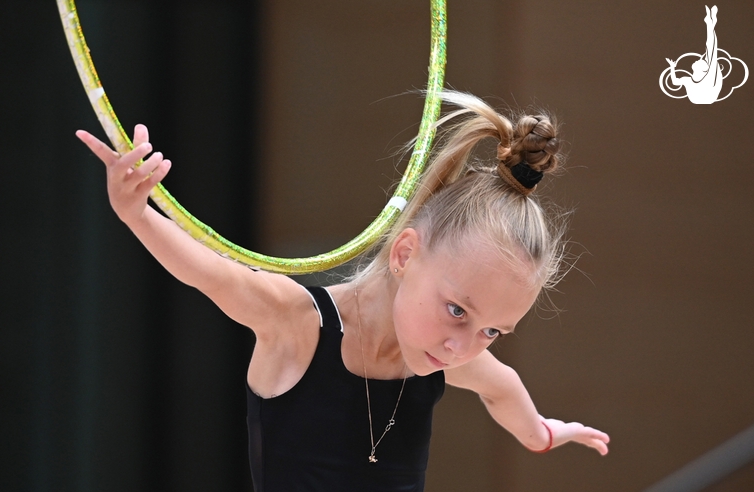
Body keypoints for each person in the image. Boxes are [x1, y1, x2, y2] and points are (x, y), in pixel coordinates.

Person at [76, 90, 610, 491]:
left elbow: (504, 386)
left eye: (493, 331)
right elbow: (214, 273)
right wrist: (135, 212)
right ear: (404, 255)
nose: (463, 346)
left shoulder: (448, 357)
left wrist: (540, 433)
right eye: (456, 311)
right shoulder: (298, 326)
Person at [666, 5, 722, 104]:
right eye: (702, 60)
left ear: (703, 69)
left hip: (705, 96)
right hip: (704, 97)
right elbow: (674, 82)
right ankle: (710, 24)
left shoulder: (696, 79)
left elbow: (675, 82)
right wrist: (672, 67)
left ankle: (710, 24)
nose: (698, 59)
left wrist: (672, 67)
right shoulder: (691, 79)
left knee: (711, 51)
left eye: (701, 61)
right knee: (711, 52)